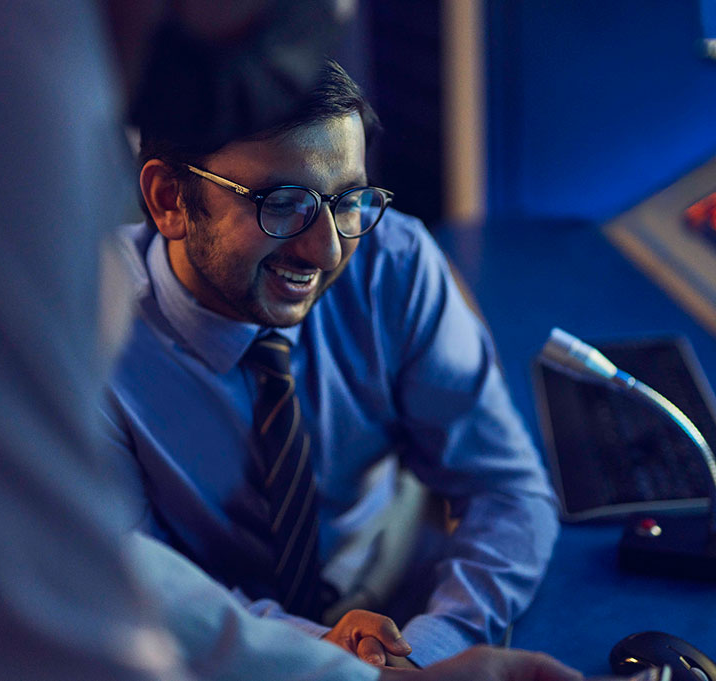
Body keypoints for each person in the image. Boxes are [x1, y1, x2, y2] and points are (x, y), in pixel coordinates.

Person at [102, 58, 560, 670]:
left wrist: (431, 650)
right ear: (168, 200)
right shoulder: (80, 335)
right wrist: (318, 655)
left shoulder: (393, 265)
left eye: (347, 200)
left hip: (393, 591)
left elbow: (506, 490)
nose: (325, 249)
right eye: (283, 203)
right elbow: (123, 570)